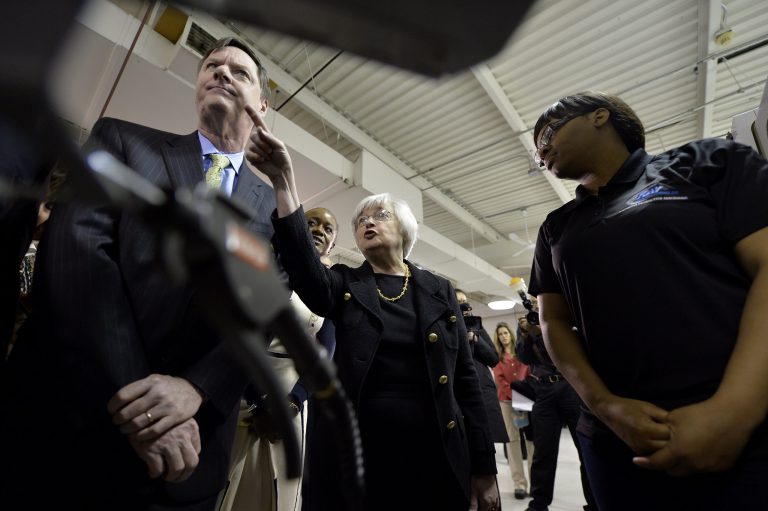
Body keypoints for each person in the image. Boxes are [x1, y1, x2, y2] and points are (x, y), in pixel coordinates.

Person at [0, 37, 277, 510]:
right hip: (74, 425)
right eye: (212, 65)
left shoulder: (274, 208)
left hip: (189, 456)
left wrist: (198, 388)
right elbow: (78, 254)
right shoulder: (125, 142)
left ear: (262, 107)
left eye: (240, 72)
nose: (223, 73)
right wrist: (146, 407)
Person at [243, 105, 500, 510]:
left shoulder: (439, 290)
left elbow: (466, 378)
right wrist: (283, 180)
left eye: (380, 215)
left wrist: (484, 466)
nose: (367, 221)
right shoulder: (345, 283)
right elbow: (306, 270)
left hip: (432, 450)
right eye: (361, 218)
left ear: (405, 230)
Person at [530, 90, 768, 510]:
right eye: (537, 150)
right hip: (617, 439)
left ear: (600, 115)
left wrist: (734, 411)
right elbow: (553, 322)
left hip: (745, 428)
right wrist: (605, 407)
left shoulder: (706, 162)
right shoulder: (556, 227)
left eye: (547, 133)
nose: (542, 151)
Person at [221, 206, 338, 511]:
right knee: (227, 479)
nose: (318, 231)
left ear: (333, 245)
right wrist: (259, 401)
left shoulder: (330, 291)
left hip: (292, 399)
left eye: (327, 229)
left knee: (280, 491)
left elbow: (325, 355)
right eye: (311, 223)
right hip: (242, 389)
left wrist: (293, 402)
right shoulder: (261, 268)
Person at [514, 301, 595, 511]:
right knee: (543, 451)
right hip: (543, 391)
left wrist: (549, 328)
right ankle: (538, 504)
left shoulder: (562, 319)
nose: (535, 307)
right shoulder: (529, 327)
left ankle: (594, 502)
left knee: (585, 447)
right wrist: (526, 334)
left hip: (570, 387)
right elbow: (523, 358)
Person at [491, 321, 533, 500]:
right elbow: (500, 380)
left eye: (506, 333)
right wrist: (514, 395)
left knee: (531, 440)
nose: (504, 336)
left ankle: (535, 481)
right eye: (500, 334)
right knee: (513, 441)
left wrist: (523, 394)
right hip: (507, 401)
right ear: (498, 338)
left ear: (511, 334)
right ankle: (519, 484)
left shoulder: (521, 353)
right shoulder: (497, 357)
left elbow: (529, 373)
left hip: (524, 399)